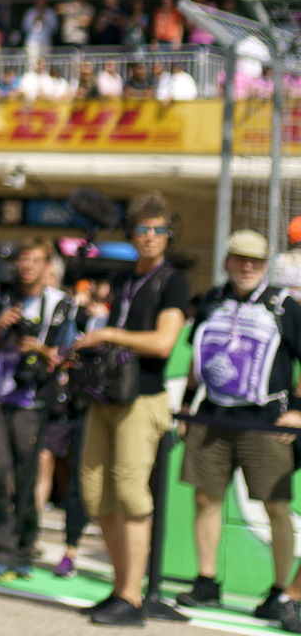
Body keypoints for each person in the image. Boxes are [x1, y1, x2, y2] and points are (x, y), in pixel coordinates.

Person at [69, 194, 190, 626]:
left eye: (159, 230)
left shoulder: (173, 281)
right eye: (143, 229)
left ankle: (132, 599)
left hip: (143, 397)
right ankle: (121, 588)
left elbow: (163, 342)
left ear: (169, 235)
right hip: (107, 394)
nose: (151, 237)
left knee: (130, 494)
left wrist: (109, 335)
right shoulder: (121, 279)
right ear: (131, 234)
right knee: (95, 492)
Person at [176, 230, 301, 625]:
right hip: (212, 414)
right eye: (240, 259)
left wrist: (298, 411)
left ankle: (280, 592)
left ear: (265, 265)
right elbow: (198, 355)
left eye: (256, 261)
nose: (247, 267)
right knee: (205, 497)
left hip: (265, 420)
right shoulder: (212, 300)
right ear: (226, 261)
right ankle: (206, 581)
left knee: (275, 504)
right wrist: (187, 404)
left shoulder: (284, 305)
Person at [0, 240, 74, 582]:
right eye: (23, 259)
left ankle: (23, 548)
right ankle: (1, 550)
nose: (27, 265)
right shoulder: (2, 298)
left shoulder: (61, 305)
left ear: (47, 267)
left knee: (26, 481)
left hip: (33, 403)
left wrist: (40, 349)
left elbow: (69, 356)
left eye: (35, 260)